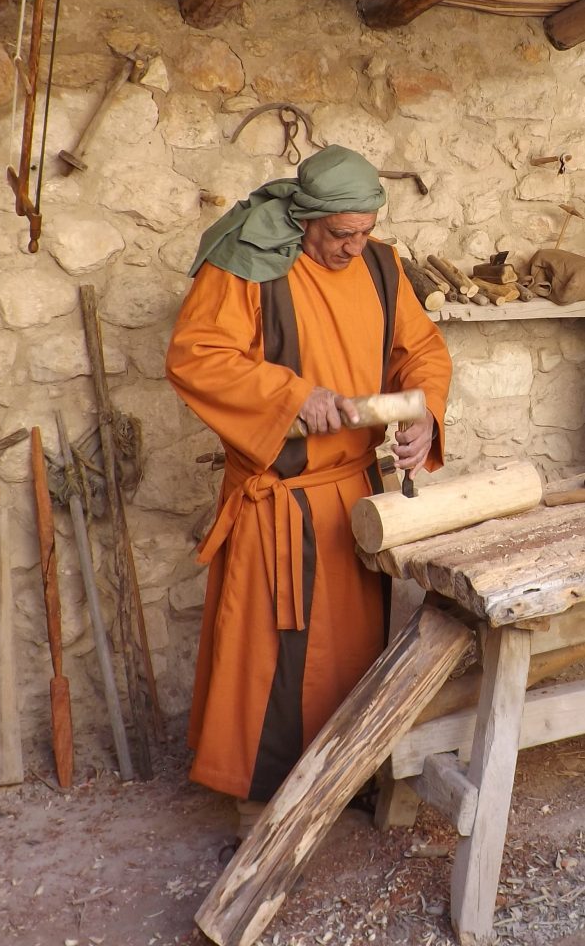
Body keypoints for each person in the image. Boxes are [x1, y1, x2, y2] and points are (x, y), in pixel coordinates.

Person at [165, 144, 452, 841]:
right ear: (304, 218)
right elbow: (195, 356)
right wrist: (293, 396)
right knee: (273, 663)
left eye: (362, 232)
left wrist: (422, 414)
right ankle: (259, 808)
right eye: (337, 235)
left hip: (354, 497)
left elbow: (421, 351)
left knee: (350, 659)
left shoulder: (380, 265)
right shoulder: (249, 263)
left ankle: (336, 777)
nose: (351, 247)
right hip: (281, 501)